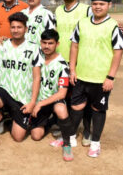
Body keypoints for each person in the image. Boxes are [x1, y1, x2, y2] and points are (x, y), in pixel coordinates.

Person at [69, 0, 123, 158]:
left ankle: (95, 142)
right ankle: (71, 136)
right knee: (76, 107)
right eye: (94, 3)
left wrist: (110, 77)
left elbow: (118, 52)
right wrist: (72, 69)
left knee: (98, 109)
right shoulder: (82, 23)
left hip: (101, 79)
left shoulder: (114, 26)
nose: (98, 7)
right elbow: (74, 45)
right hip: (81, 75)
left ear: (110, 5)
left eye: (101, 4)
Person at [0, 12, 43, 155]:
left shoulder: (33, 48)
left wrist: (32, 102)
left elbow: (37, 77)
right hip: (4, 90)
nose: (15, 30)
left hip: (22, 97)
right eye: (13, 27)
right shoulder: (2, 45)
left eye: (19, 27)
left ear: (25, 29)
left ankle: (8, 117)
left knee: (18, 137)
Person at [51, 0, 92, 148]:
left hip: (81, 62)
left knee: (84, 98)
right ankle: (67, 127)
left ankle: (88, 131)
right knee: (65, 95)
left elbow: (100, 24)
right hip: (61, 63)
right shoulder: (58, 10)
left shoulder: (87, 10)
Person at [30, 29, 74, 161]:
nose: (47, 46)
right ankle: (51, 122)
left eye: (50, 43)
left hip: (53, 100)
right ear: (40, 43)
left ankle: (67, 144)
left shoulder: (62, 65)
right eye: (44, 43)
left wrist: (40, 104)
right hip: (38, 99)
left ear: (57, 44)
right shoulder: (37, 58)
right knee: (36, 136)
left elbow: (62, 93)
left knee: (61, 109)